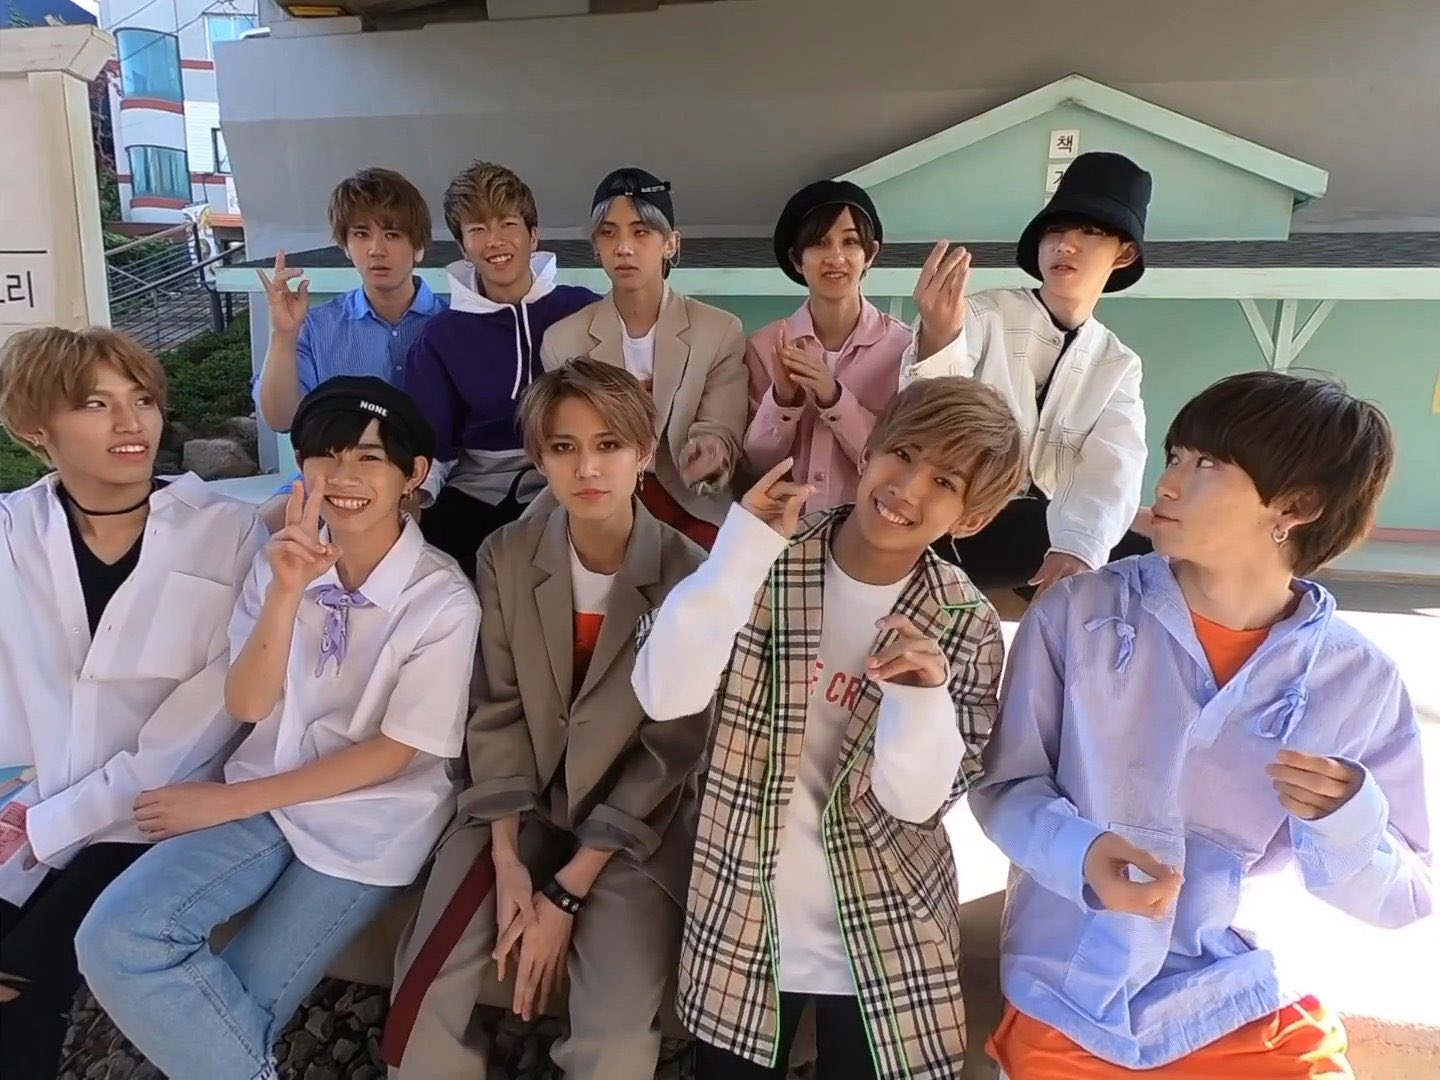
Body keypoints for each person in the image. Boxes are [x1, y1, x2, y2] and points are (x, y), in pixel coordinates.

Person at [971, 371, 1434, 1079]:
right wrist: (1082, 854)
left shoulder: (1357, 678)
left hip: (1247, 994)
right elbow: (1006, 786)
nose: (1167, 483)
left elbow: (1406, 896)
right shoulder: (1077, 613)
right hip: (1073, 991)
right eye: (1175, 456)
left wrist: (1348, 818)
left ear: (1296, 506)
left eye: (1207, 465)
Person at [75, 378, 480, 1080]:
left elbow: (395, 753)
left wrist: (224, 801)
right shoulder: (282, 564)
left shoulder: (443, 601)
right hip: (269, 791)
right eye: (324, 456)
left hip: (368, 824)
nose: (343, 477)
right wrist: (288, 593)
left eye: (369, 458)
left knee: (237, 1005)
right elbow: (248, 703)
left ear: (413, 474)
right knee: (113, 937)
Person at [632, 377, 1027, 1079]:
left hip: (887, 926)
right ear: (867, 449)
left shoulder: (964, 624)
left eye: (944, 481)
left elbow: (916, 804)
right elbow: (665, 695)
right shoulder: (766, 555)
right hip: (743, 913)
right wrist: (737, 557)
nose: (907, 487)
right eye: (902, 454)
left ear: (971, 518)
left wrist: (921, 700)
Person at [384, 359, 711, 1077]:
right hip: (518, 804)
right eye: (564, 447)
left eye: (609, 445)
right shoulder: (507, 555)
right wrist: (506, 861)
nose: (587, 468)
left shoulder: (692, 577)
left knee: (615, 1036)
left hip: (634, 829)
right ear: (538, 458)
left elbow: (672, 750)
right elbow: (496, 706)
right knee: (423, 990)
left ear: (644, 452)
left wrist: (565, 893)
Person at [0, 327, 263, 1079]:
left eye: (142, 400)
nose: (131, 423)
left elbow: (202, 725)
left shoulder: (226, 531)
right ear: (34, 428)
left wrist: (53, 821)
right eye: (96, 404)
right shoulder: (10, 533)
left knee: (20, 972)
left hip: (152, 812)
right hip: (25, 801)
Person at [901, 151, 1154, 601]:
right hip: (954, 517)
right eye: (1055, 230)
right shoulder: (982, 314)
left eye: (1090, 231)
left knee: (1150, 550)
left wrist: (1079, 547)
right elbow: (930, 417)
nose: (1065, 244)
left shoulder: (1117, 363)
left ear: (1125, 252)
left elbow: (1115, 464)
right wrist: (938, 336)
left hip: (1038, 535)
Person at [406, 161, 600, 574]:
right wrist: (410, 500)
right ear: (463, 247)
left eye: (508, 224)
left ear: (533, 235)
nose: (494, 241)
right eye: (477, 229)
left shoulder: (583, 309)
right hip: (477, 492)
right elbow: (432, 445)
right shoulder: (441, 336)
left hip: (569, 482)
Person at [538, 167, 747, 548]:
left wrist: (708, 451)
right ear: (595, 246)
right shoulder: (563, 341)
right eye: (608, 233)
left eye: (641, 232)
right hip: (595, 497)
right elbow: (562, 439)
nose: (623, 247)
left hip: (687, 500)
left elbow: (720, 429)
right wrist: (625, 408)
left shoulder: (718, 331)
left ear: (671, 244)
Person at [253, 167, 445, 532]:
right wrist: (283, 333)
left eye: (392, 234)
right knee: (258, 532)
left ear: (418, 247)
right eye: (361, 234)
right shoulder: (318, 325)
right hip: (331, 475)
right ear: (345, 245)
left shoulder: (450, 324)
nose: (376, 249)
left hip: (423, 479)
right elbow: (280, 418)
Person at [744, 180, 911, 515]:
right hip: (784, 527)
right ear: (796, 258)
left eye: (850, 242)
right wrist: (783, 401)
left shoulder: (903, 347)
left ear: (870, 254)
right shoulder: (765, 345)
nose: (836, 257)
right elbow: (755, 464)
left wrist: (833, 397)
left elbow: (898, 464)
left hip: (865, 527)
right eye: (819, 243)